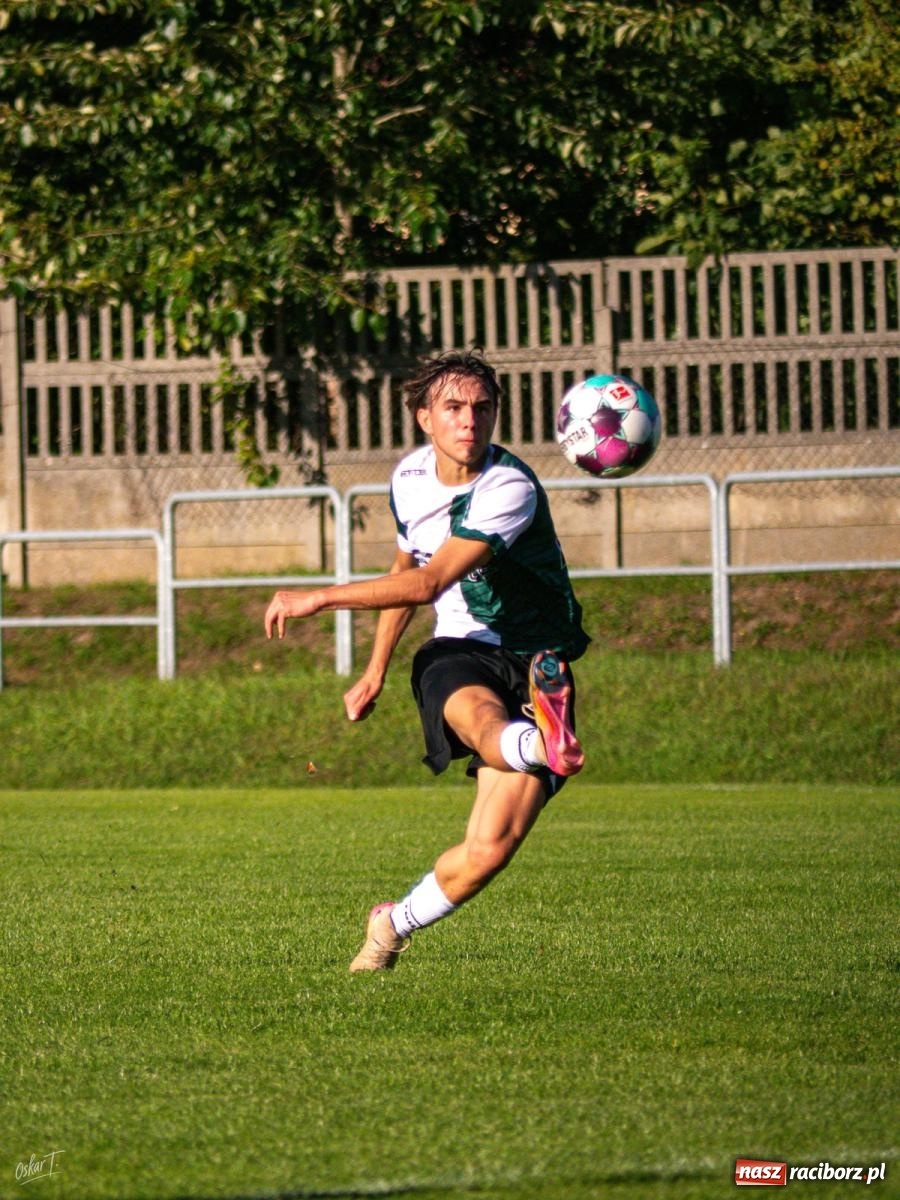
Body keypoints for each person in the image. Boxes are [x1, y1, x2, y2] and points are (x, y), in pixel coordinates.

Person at [264, 350, 590, 972]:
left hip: (534, 656)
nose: (470, 421)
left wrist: (319, 598)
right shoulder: (409, 478)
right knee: (482, 720)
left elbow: (428, 582)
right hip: (458, 652)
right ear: (424, 417)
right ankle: (540, 740)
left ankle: (391, 925)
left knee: (488, 850)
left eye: (483, 408)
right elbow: (407, 564)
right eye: (454, 408)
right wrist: (375, 669)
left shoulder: (509, 487)